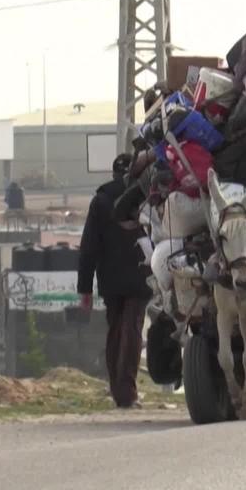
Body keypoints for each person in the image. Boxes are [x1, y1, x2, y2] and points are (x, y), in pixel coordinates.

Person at [78, 154, 151, 409]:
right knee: (132, 332)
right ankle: (127, 392)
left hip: (109, 279)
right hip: (141, 275)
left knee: (116, 332)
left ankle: (118, 390)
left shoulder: (100, 200)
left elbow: (88, 247)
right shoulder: (145, 196)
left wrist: (84, 289)